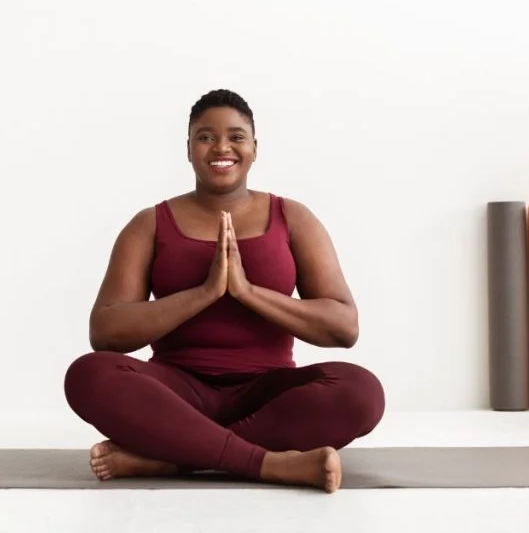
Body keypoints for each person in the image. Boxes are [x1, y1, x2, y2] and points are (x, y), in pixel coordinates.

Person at [63, 89, 384, 493]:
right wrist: (205, 292)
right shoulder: (150, 224)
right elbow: (105, 332)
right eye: (205, 136)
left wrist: (247, 292)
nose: (221, 147)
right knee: (88, 376)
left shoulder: (293, 218)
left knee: (361, 393)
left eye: (236, 136)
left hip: (266, 394)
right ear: (188, 149)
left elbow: (344, 327)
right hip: (175, 392)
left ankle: (173, 457)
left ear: (254, 148)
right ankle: (267, 464)